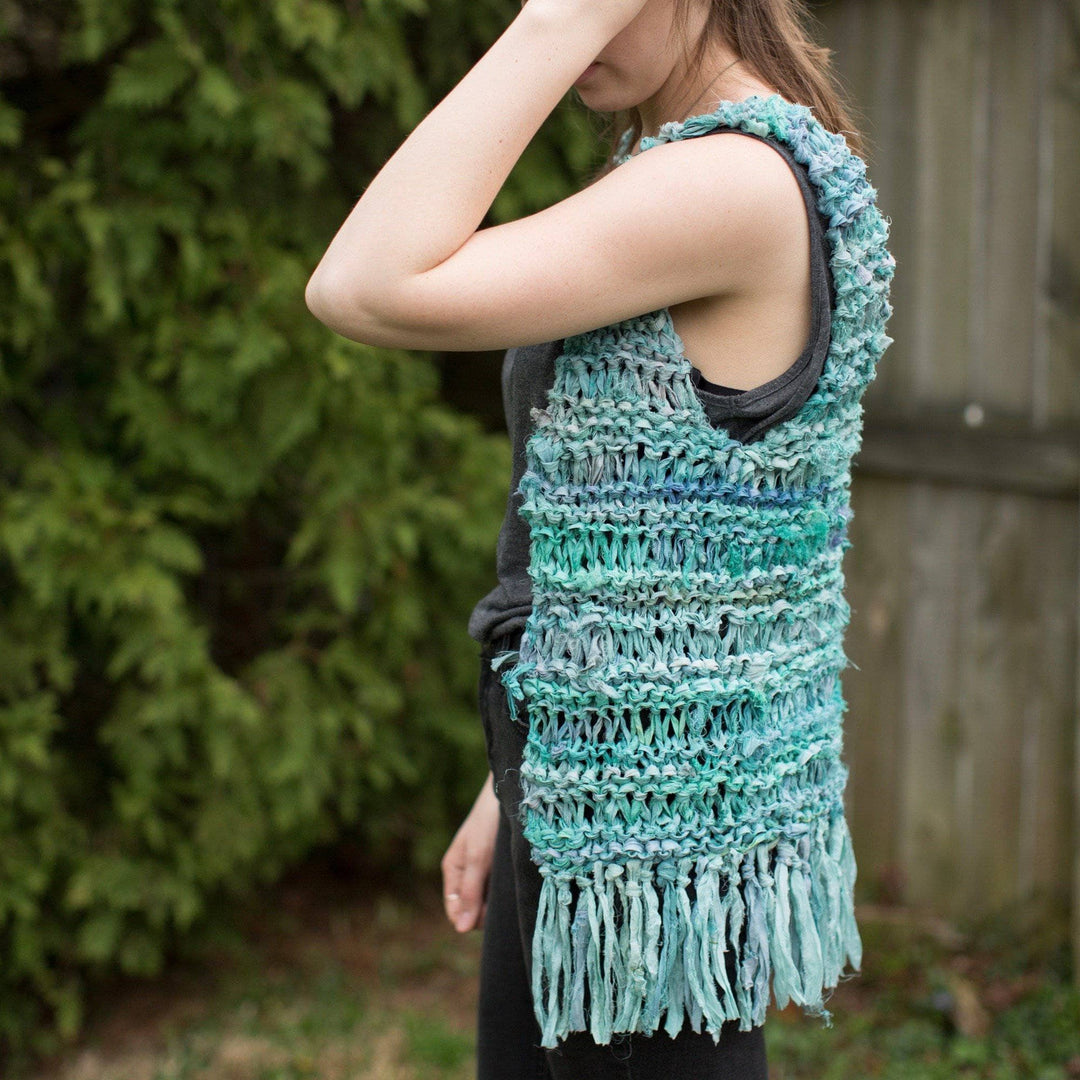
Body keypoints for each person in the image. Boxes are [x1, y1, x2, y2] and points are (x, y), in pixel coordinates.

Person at [306, 1, 894, 1076]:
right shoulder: (732, 161)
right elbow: (679, 533)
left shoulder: (728, 181)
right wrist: (516, 777)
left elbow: (361, 286)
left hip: (644, 849)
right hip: (603, 792)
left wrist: (550, 33)